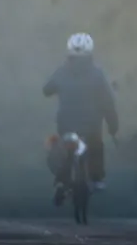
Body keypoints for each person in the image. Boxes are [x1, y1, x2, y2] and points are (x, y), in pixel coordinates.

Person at [43, 32, 119, 203]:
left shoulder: (61, 72)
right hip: (92, 126)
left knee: (62, 149)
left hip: (65, 125)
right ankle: (97, 179)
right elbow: (108, 103)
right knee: (97, 146)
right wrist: (113, 126)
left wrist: (56, 87)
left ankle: (62, 181)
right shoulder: (97, 75)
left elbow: (46, 90)